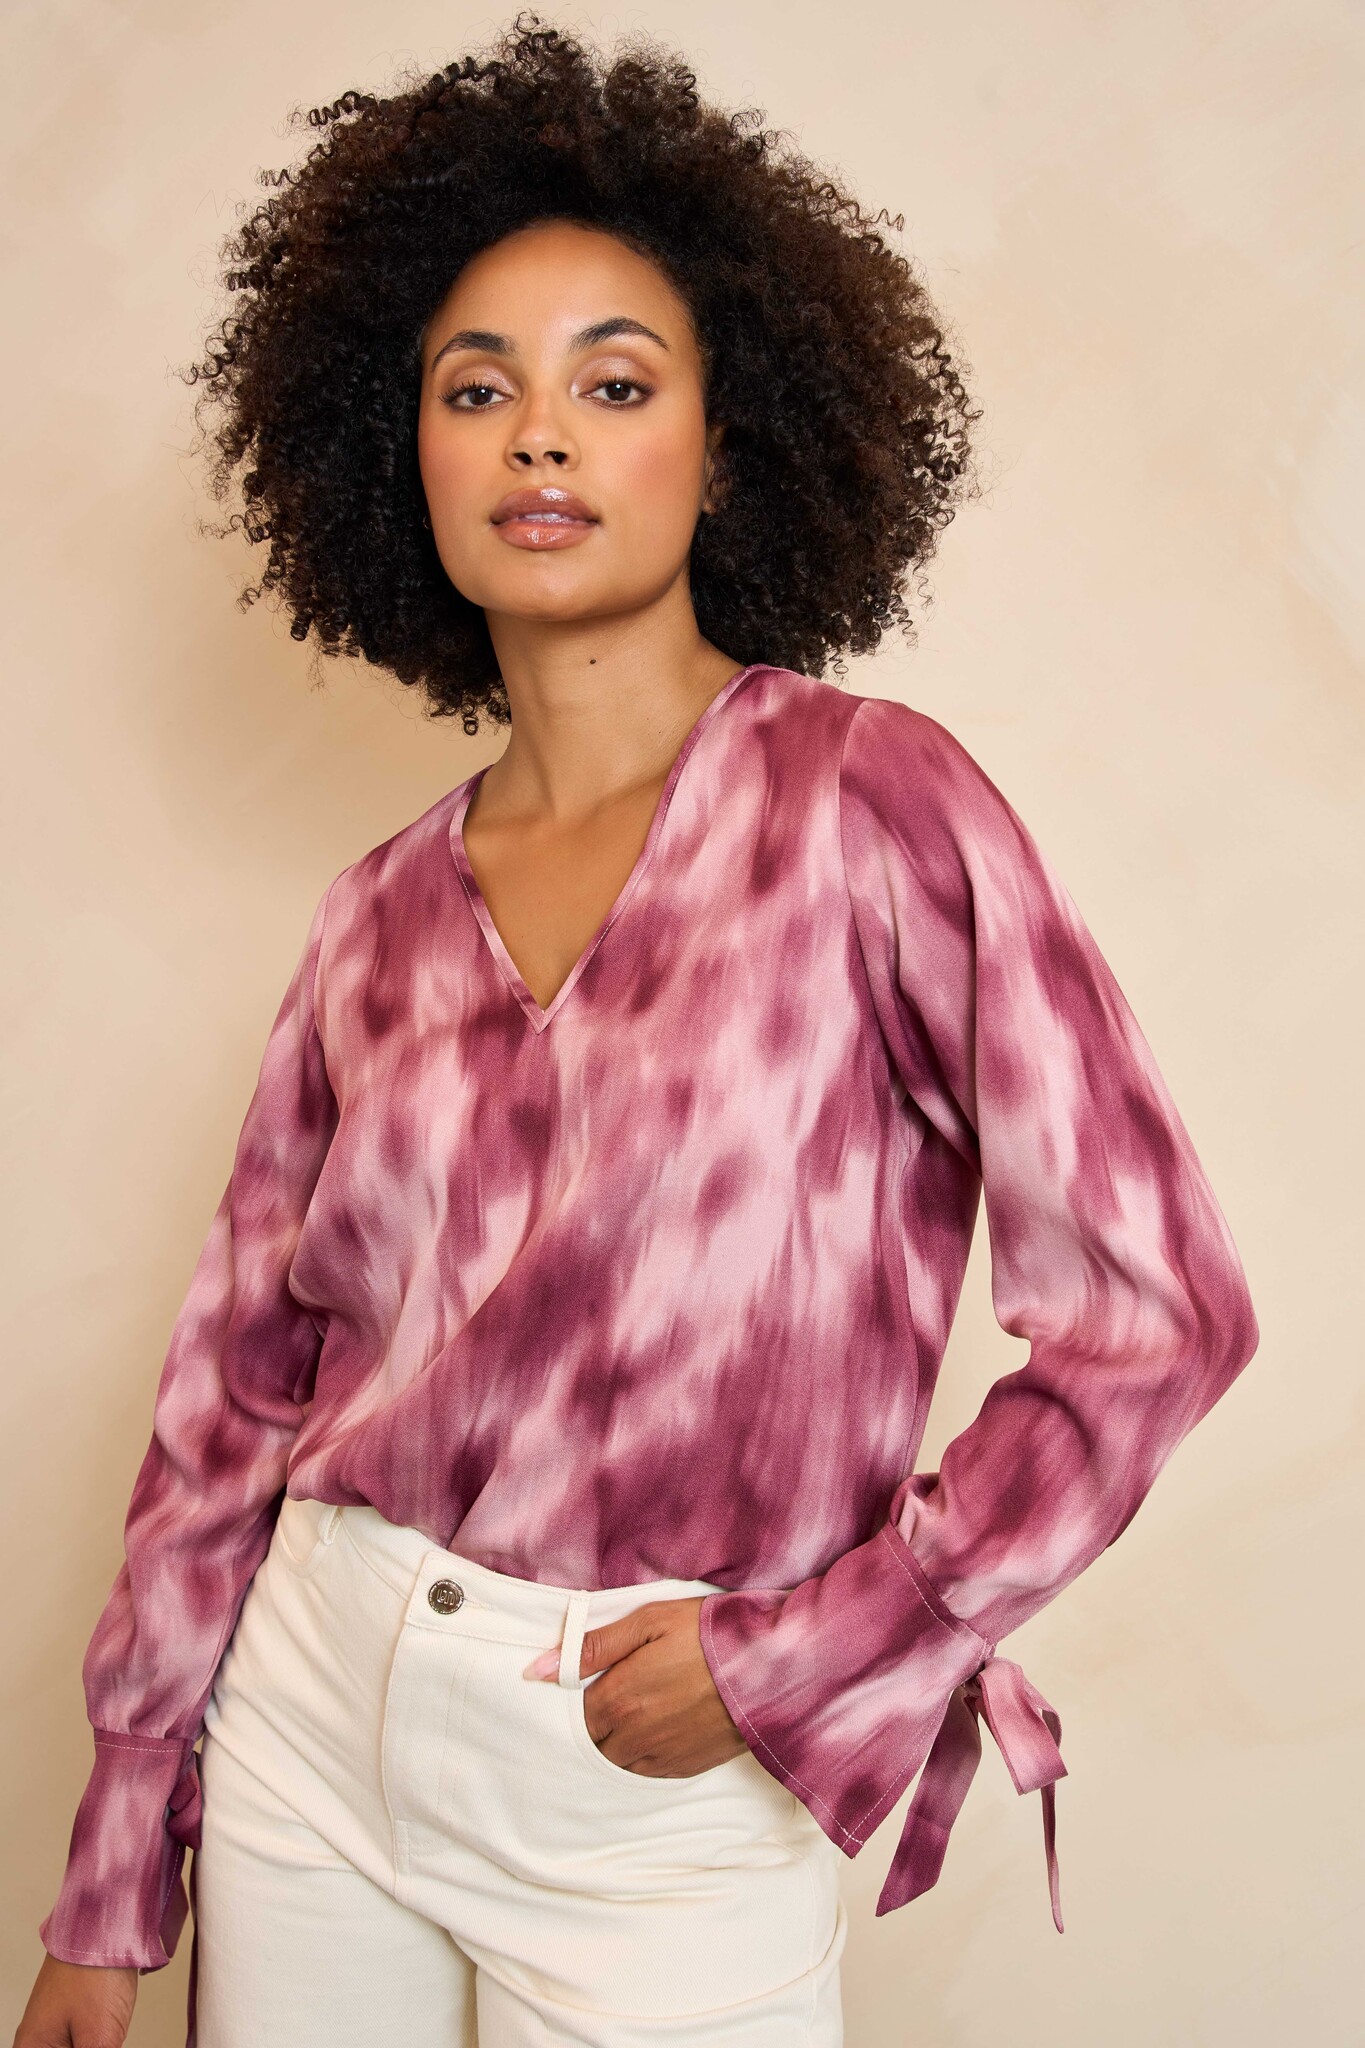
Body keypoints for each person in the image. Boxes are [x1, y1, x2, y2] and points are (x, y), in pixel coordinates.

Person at [19, 14, 1259, 2048]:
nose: (541, 438)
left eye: (613, 384)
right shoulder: (374, 914)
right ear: (396, 455)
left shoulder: (873, 805)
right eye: (474, 389)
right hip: (307, 1723)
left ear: (724, 440)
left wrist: (811, 1651)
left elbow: (1159, 1317)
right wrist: (109, 1871)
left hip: (647, 1773)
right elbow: (232, 1396)